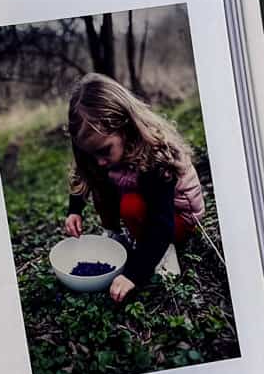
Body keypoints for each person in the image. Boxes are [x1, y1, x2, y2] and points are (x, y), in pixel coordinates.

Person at [62, 73, 205, 302]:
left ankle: (162, 254)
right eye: (92, 153)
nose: (99, 160)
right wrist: (74, 210)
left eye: (104, 150)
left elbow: (162, 222)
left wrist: (133, 274)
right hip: (150, 206)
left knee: (132, 207)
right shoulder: (102, 154)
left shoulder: (155, 156)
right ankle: (117, 237)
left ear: (125, 127)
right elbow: (83, 173)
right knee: (99, 179)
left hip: (178, 218)